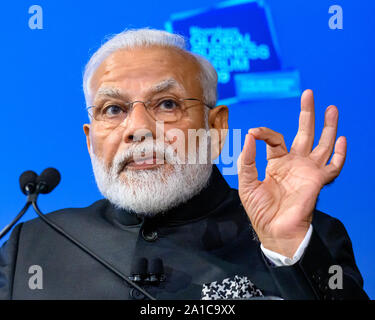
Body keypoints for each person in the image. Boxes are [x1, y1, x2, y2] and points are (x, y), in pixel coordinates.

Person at [0, 28, 368, 300]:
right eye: (113, 110)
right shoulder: (30, 246)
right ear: (89, 137)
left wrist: (288, 249)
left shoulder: (306, 237)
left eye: (167, 104)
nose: (139, 129)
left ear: (216, 126)